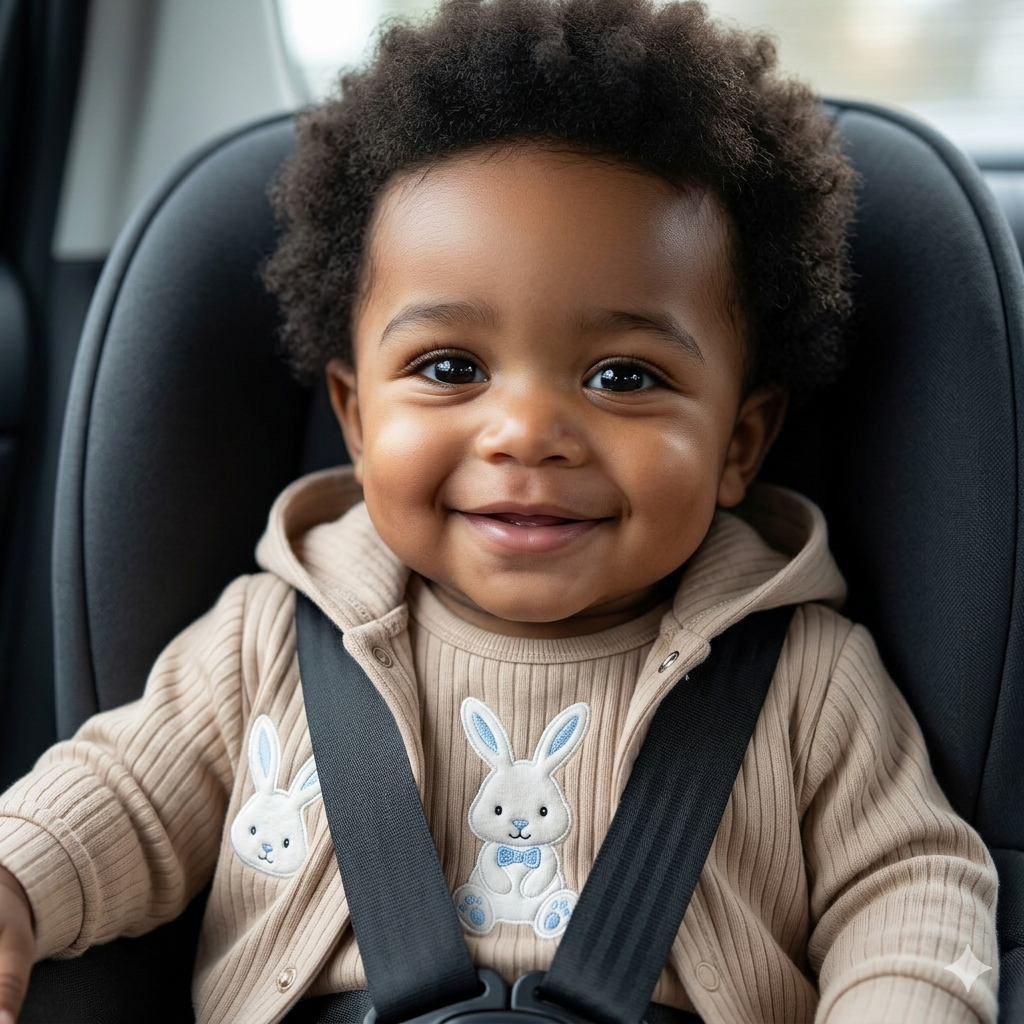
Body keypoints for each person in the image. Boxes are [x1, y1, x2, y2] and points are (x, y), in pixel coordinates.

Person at [0, 0, 1000, 1022]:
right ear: (354, 416)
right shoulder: (263, 643)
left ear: (737, 443)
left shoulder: (807, 682)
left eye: (621, 374)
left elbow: (909, 892)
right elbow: (121, 799)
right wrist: (16, 883)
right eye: (449, 367)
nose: (525, 431)